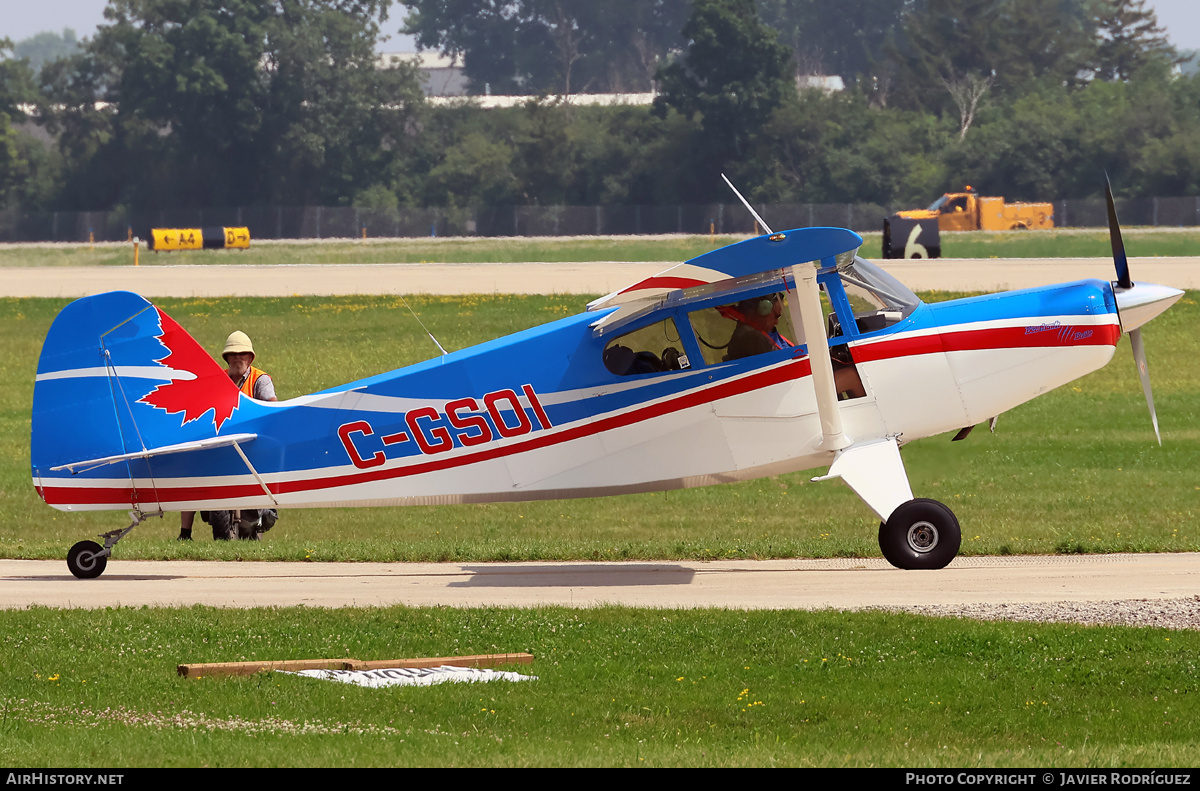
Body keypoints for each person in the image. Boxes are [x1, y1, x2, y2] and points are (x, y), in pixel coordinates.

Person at [178, 331, 278, 541]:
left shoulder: (261, 380)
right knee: (190, 473)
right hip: (221, 444)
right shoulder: (218, 379)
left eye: (242, 354)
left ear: (250, 358)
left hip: (251, 445)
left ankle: (264, 513)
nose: (237, 358)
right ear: (226, 358)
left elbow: (272, 406)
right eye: (232, 354)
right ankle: (185, 533)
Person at [725, 293, 793, 360]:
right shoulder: (753, 338)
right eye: (776, 316)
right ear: (764, 310)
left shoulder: (745, 332)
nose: (776, 322)